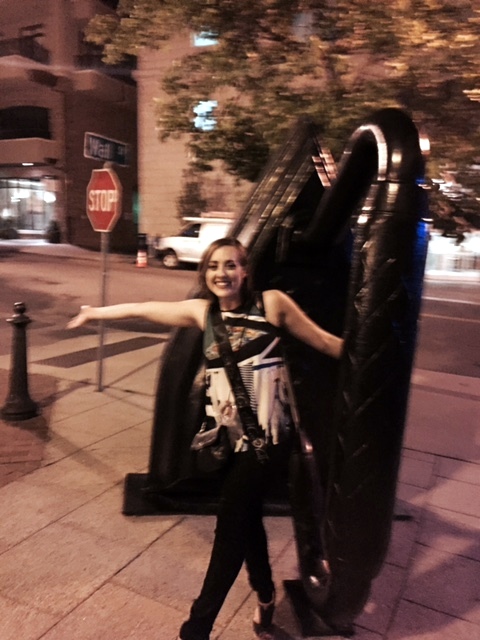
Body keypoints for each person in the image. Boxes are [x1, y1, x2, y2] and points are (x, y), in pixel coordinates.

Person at [68, 237, 343, 640]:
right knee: (246, 518)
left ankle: (196, 628)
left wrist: (374, 359)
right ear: (205, 272)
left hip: (267, 442)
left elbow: (323, 341)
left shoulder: (271, 304)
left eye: (231, 265)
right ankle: (265, 594)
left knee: (229, 527)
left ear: (245, 271)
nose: (221, 273)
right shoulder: (204, 313)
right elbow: (146, 308)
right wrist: (94, 313)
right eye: (214, 266)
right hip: (227, 441)